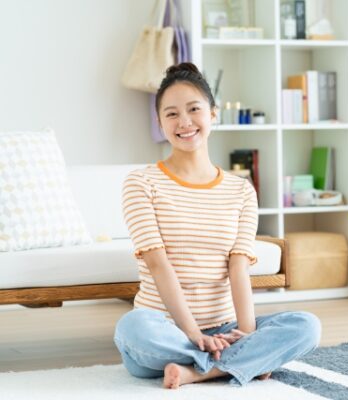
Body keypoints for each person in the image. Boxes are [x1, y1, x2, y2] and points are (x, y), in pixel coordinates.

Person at [113, 62, 321, 389]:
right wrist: (194, 334)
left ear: (213, 114)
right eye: (171, 114)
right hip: (166, 331)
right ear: (159, 123)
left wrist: (247, 333)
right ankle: (241, 362)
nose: (184, 122)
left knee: (307, 326)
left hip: (224, 329)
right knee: (132, 329)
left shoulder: (241, 190)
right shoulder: (141, 183)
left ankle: (199, 371)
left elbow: (238, 268)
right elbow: (158, 264)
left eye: (194, 109)